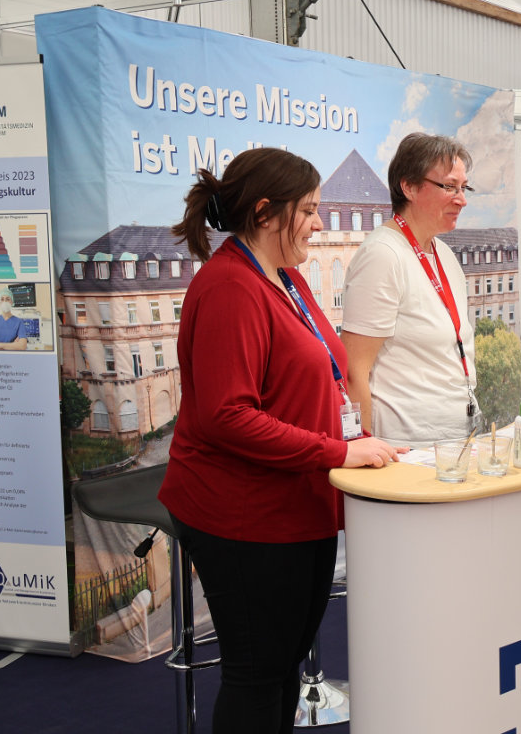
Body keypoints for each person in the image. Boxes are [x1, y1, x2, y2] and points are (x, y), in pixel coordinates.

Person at [158, 146, 401, 733]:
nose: (320, 223)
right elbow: (227, 416)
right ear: (267, 211)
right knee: (257, 671)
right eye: (310, 210)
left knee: (281, 665)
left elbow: (327, 367)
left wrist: (356, 438)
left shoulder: (287, 279)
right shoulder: (230, 289)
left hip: (296, 503)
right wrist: (339, 451)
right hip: (243, 516)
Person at [341, 132, 479, 447]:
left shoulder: (444, 253)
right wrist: (362, 444)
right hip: (406, 449)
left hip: (456, 439)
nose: (462, 199)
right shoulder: (383, 254)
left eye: (464, 187)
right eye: (449, 187)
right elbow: (353, 371)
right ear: (409, 187)